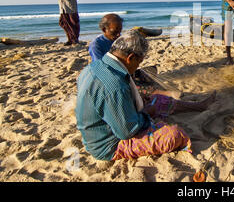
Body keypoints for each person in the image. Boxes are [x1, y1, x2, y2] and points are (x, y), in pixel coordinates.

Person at [77, 30, 210, 160]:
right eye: (138, 62)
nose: (137, 67)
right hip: (109, 144)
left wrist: (137, 102)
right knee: (176, 135)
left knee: (158, 100)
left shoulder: (93, 67)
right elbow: (126, 131)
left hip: (109, 124)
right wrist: (146, 113)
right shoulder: (115, 86)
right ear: (130, 58)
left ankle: (198, 106)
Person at [87, 17, 216, 122]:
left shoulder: (115, 42)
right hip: (118, 77)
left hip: (121, 75)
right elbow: (106, 71)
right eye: (115, 31)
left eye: (120, 31)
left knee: (149, 71)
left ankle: (160, 93)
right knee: (158, 102)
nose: (118, 34)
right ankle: (167, 95)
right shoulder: (97, 47)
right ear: (104, 29)